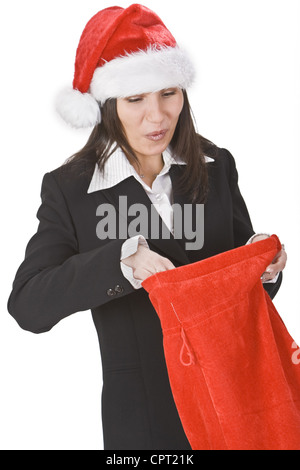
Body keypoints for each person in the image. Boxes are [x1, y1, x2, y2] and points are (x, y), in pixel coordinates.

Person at [7, 4, 287, 450]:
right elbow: (28, 305)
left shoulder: (217, 166)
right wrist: (122, 265)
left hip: (236, 399)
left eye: (168, 94)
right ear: (106, 105)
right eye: (135, 99)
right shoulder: (72, 189)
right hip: (146, 420)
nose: (157, 117)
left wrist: (263, 266)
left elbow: (243, 298)